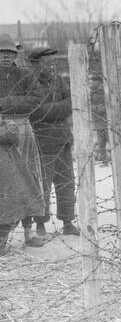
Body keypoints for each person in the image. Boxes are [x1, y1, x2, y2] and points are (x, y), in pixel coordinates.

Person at [26, 47, 79, 237]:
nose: (52, 64)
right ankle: (40, 225)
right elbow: (36, 112)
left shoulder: (57, 80)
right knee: (43, 185)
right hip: (42, 142)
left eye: (53, 60)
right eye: (48, 61)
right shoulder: (28, 83)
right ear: (35, 63)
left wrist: (54, 110)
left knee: (66, 183)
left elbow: (73, 101)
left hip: (63, 140)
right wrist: (61, 109)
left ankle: (68, 222)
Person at [0, 34, 45, 249]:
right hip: (1, 132)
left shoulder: (25, 75)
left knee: (29, 177)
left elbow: (36, 100)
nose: (6, 57)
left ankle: (28, 232)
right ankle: (3, 236)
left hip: (23, 128)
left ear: (15, 55)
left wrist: (4, 103)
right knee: (6, 183)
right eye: (1, 53)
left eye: (9, 53)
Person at [89, 71, 109, 165]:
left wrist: (100, 109)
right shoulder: (90, 93)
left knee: (110, 141)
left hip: (107, 121)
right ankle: (105, 160)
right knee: (102, 143)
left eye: (94, 80)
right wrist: (97, 109)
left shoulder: (106, 91)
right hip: (98, 122)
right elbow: (88, 106)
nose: (92, 82)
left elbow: (109, 104)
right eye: (92, 80)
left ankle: (111, 160)